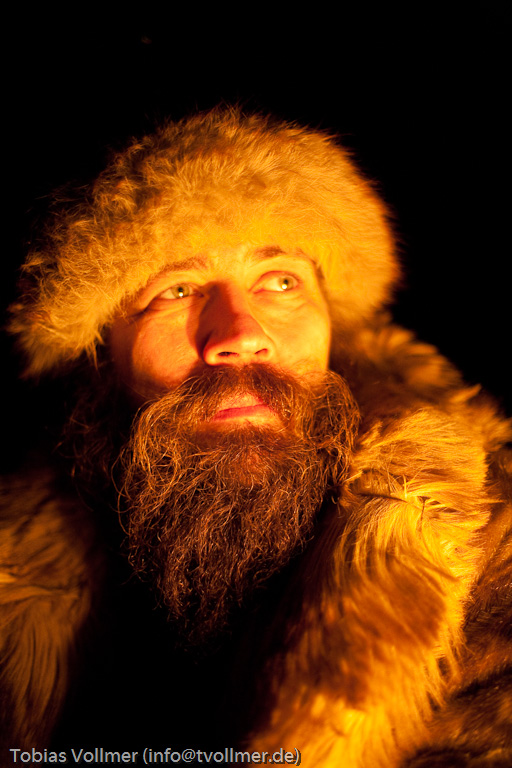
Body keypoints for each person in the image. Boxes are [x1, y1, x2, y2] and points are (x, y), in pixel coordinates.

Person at [1, 107, 511, 767]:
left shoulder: (494, 542)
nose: (241, 335)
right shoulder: (15, 568)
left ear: (331, 321)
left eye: (280, 281)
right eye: (177, 288)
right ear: (101, 349)